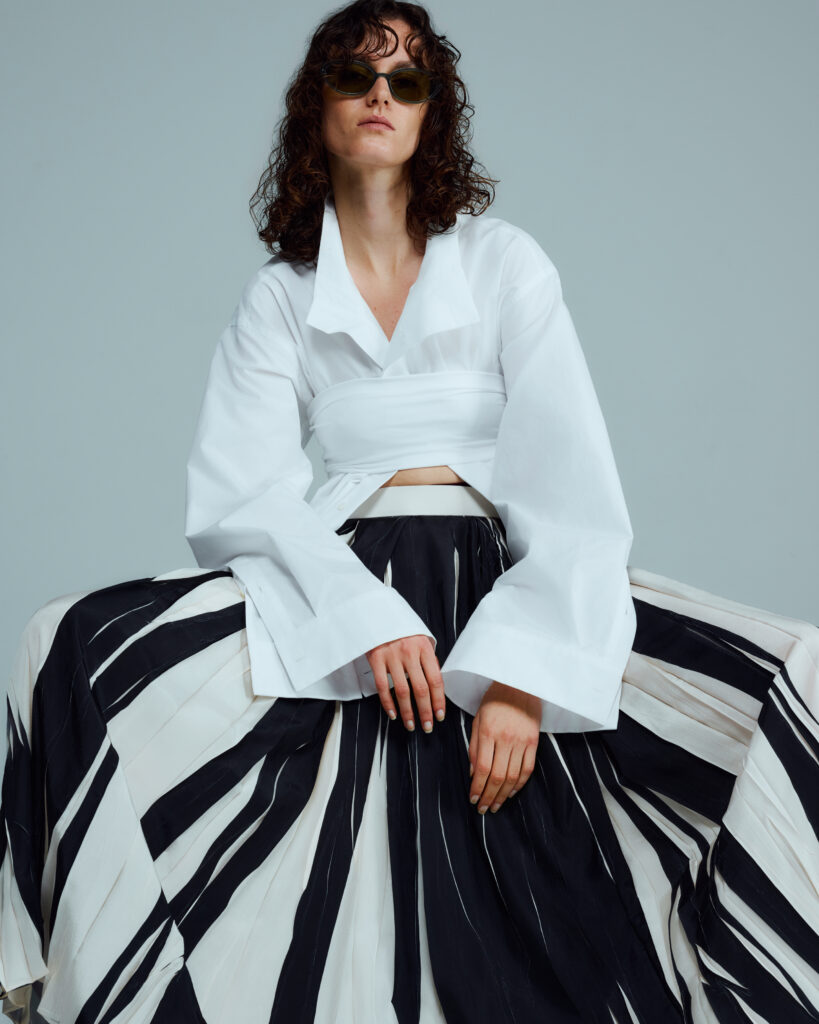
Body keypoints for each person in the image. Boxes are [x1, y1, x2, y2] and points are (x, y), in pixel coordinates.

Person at [1, 1, 818, 1021]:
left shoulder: (505, 262)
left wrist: (521, 678)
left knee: (795, 670)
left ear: (433, 112)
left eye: (407, 79)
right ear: (319, 106)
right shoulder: (280, 297)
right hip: (340, 586)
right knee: (64, 643)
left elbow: (569, 479)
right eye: (355, 75)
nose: (380, 94)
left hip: (504, 586)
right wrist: (366, 617)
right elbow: (244, 493)